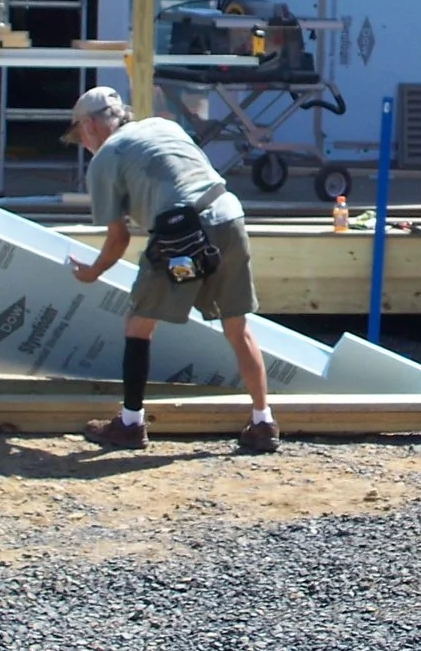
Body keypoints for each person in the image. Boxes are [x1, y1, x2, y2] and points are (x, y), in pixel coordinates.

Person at [64, 86, 276, 454]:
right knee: (237, 326)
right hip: (229, 216)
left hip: (181, 232)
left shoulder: (105, 158)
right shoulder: (166, 127)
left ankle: (130, 424)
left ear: (89, 125)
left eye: (80, 133)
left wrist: (93, 271)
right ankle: (263, 422)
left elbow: (117, 240)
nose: (82, 142)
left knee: (138, 323)